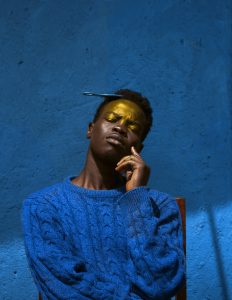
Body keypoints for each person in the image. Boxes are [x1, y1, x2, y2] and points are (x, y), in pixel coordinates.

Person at [22, 89, 185, 300]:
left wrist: (136, 198)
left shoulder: (159, 206)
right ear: (91, 129)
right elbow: (64, 288)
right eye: (112, 119)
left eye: (132, 126)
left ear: (139, 148)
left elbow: (162, 284)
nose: (120, 127)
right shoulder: (42, 205)